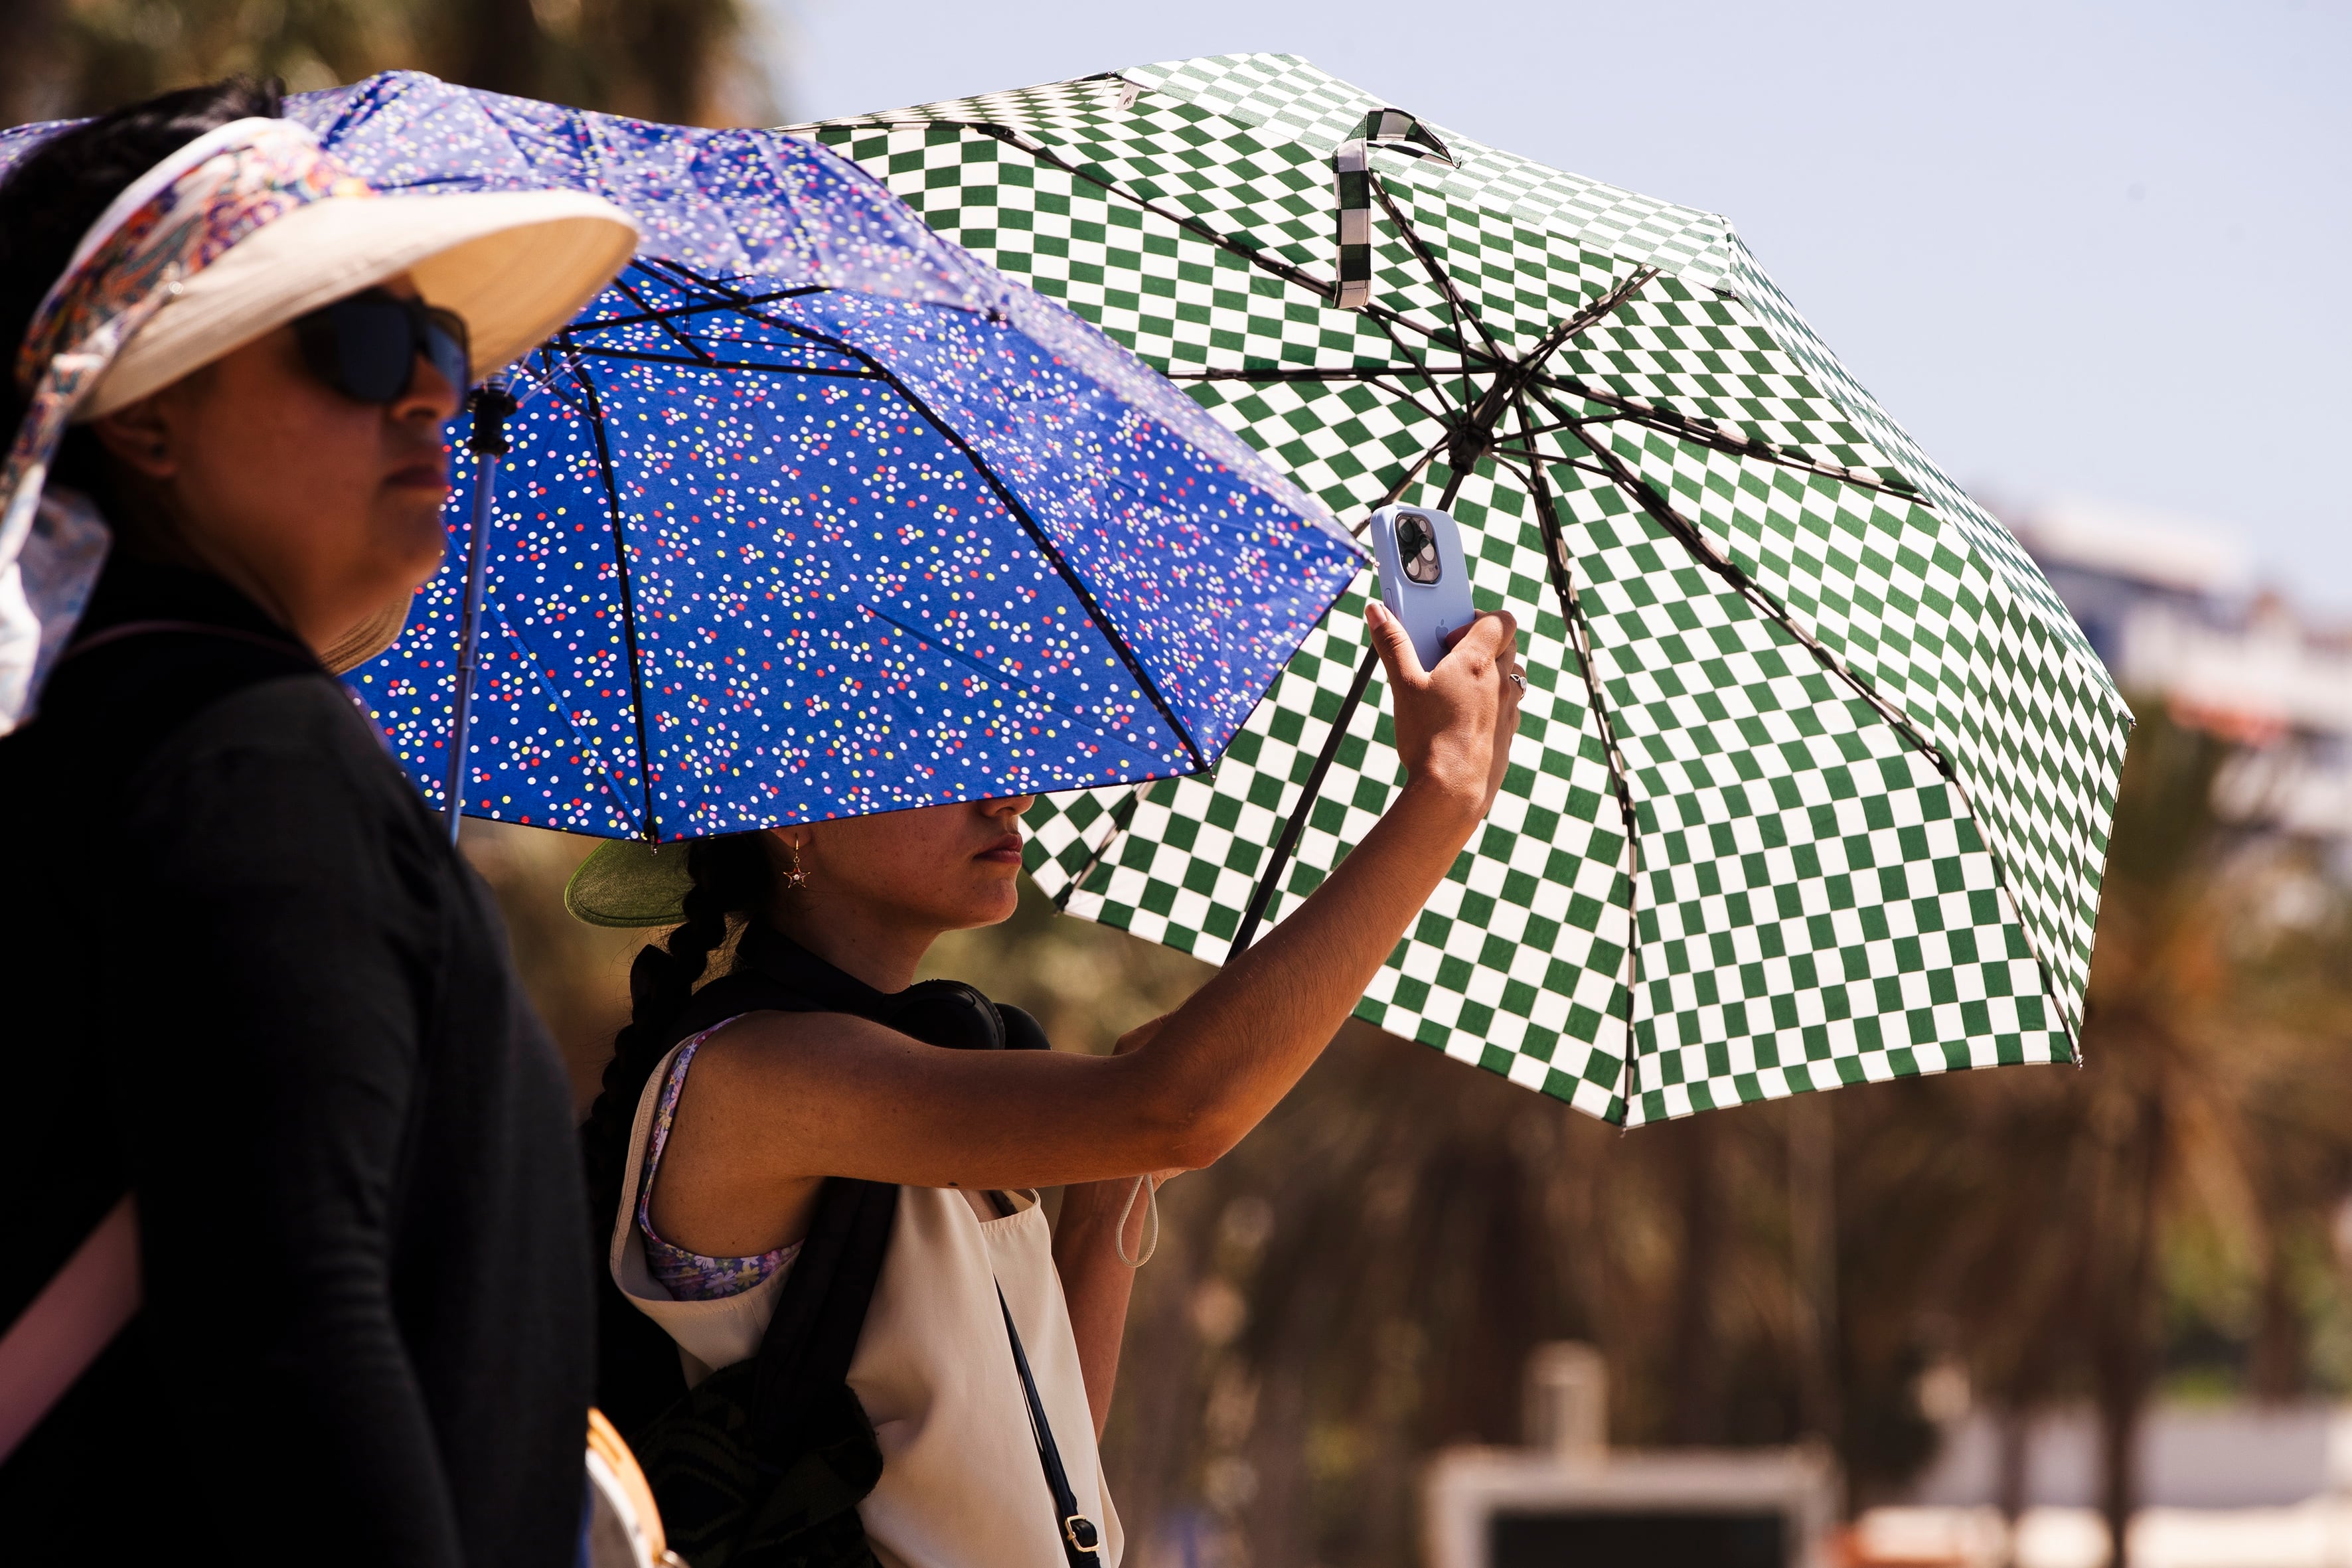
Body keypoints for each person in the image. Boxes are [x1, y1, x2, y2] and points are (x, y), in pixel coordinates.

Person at [0, 80, 637, 1563]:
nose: (432, 393)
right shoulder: (246, 756)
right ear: (148, 417)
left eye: (442, 348)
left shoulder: (100, 743)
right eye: (358, 341)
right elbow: (286, 1311)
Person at [576, 589, 1525, 1565]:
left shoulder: (936, 1059)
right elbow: (1182, 1111)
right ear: (791, 817)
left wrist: (1120, 1165)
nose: (1010, 791)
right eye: (947, 750)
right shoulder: (756, 1071)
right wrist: (1442, 795)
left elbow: (1046, 1449)